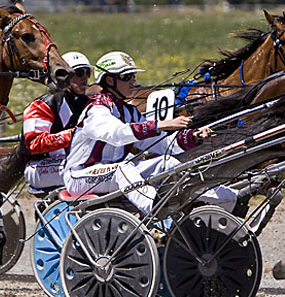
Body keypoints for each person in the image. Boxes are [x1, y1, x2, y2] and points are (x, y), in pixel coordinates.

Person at [62, 51, 234, 215]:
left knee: (169, 163)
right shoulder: (97, 108)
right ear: (109, 80)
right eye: (126, 76)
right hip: (79, 177)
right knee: (124, 169)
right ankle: (156, 208)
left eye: (133, 75)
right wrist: (160, 124)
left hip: (110, 174)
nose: (133, 81)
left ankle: (228, 199)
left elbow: (163, 144)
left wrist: (194, 136)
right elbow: (117, 134)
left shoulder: (130, 112)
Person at [23, 51, 94, 189]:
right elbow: (34, 143)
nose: (84, 78)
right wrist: (75, 134)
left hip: (70, 162)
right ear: (66, 76)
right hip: (39, 167)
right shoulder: (44, 104)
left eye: (87, 73)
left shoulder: (88, 103)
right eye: (79, 73)